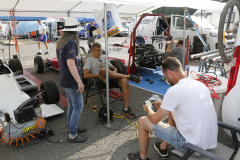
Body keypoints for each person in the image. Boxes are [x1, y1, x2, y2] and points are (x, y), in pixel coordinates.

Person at [126, 57, 218, 160]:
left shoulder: (174, 90)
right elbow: (185, 104)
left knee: (143, 121)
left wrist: (148, 108)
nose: (166, 79)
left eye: (165, 75)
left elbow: (154, 119)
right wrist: (164, 104)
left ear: (169, 73)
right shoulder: (199, 84)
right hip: (209, 143)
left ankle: (142, 157)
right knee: (172, 111)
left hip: (193, 147)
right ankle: (163, 147)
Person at [83, 42, 142, 119]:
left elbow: (114, 68)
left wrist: (113, 72)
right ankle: (128, 76)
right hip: (100, 81)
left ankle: (126, 109)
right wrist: (99, 74)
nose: (99, 52)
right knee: (103, 70)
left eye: (100, 50)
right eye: (97, 50)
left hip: (110, 78)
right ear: (92, 50)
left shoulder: (103, 58)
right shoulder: (89, 60)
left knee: (124, 81)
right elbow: (85, 75)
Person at [56, 17, 87, 143]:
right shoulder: (71, 42)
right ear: (75, 31)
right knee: (78, 106)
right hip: (72, 80)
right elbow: (70, 63)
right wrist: (79, 82)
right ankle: (72, 134)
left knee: (72, 106)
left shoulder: (61, 42)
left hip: (65, 79)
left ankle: (72, 127)